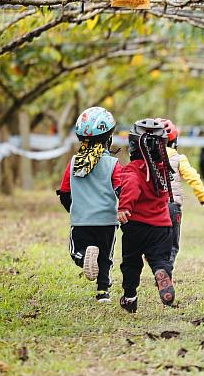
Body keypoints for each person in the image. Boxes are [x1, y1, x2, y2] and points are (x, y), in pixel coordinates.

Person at [56, 107, 121, 303]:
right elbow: (121, 190)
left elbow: (65, 193)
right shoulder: (113, 164)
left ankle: (83, 257)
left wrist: (75, 210)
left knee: (76, 251)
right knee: (106, 258)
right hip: (107, 222)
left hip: (82, 220)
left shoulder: (74, 162)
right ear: (108, 138)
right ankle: (103, 293)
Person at [117, 118, 176, 313]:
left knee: (131, 263)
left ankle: (130, 297)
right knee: (159, 259)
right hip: (162, 227)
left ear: (134, 145)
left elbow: (132, 186)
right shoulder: (163, 170)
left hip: (136, 227)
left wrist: (124, 206)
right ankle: (161, 272)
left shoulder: (133, 170)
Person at [155, 118, 204, 271]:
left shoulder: (146, 159)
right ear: (174, 141)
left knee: (154, 240)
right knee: (172, 244)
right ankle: (165, 269)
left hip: (151, 208)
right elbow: (193, 177)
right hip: (172, 207)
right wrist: (202, 196)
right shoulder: (178, 159)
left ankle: (157, 263)